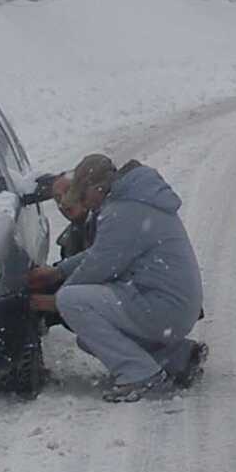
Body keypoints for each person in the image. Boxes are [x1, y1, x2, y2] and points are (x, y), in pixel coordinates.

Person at [26, 152, 207, 401]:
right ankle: (177, 358)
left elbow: (100, 266)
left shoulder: (121, 210)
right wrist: (59, 271)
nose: (85, 203)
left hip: (163, 305)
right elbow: (104, 252)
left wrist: (54, 301)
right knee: (89, 339)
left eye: (84, 195)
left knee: (72, 302)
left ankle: (142, 377)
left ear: (97, 187)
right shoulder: (135, 200)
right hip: (173, 304)